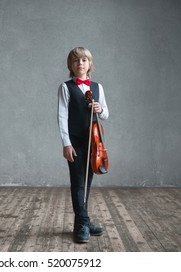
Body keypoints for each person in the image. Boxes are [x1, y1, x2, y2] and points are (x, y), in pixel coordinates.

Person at [57, 46, 109, 243]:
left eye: (84, 60)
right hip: (76, 141)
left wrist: (100, 108)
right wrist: (66, 143)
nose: (80, 63)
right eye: (76, 60)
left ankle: (84, 220)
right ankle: (81, 224)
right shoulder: (65, 87)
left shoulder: (98, 87)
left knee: (86, 183)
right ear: (71, 65)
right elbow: (62, 117)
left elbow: (105, 115)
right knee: (78, 182)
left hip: (94, 142)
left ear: (90, 64)